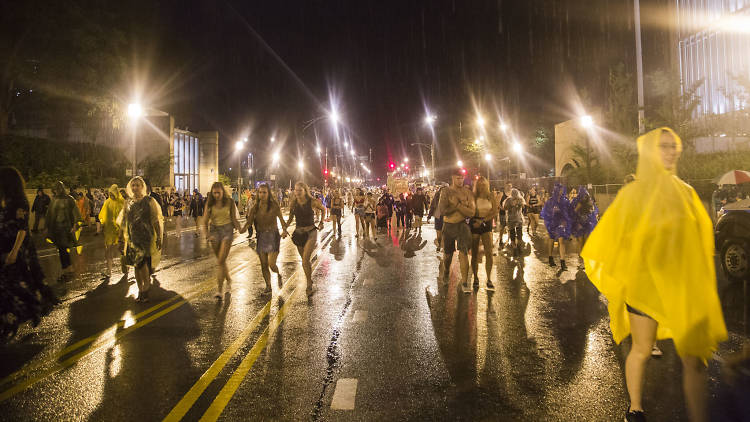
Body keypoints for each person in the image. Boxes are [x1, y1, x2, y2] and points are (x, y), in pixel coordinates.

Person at [582, 128, 727, 422]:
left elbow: (700, 239)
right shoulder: (633, 193)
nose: (671, 151)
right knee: (643, 349)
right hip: (645, 286)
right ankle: (635, 408)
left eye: (673, 145)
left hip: (680, 286)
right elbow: (612, 237)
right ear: (649, 150)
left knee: (694, 358)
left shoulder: (685, 191)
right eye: (663, 146)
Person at [0, 167, 58, 338]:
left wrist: (14, 252)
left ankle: (31, 308)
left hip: (16, 248)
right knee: (8, 284)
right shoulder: (4, 201)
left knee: (12, 284)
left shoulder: (20, 201)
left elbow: (22, 229)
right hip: (3, 246)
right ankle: (12, 317)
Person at [118, 176, 163, 303]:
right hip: (132, 238)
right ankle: (140, 290)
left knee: (142, 264)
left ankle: (146, 289)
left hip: (145, 237)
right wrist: (120, 239)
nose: (135, 187)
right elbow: (124, 221)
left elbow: (155, 220)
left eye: (137, 185)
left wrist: (159, 237)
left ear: (142, 187)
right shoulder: (128, 202)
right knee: (136, 265)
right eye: (133, 185)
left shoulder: (149, 201)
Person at [242, 183, 287, 293]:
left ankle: (278, 273)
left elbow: (282, 220)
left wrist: (285, 230)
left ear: (268, 194)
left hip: (274, 236)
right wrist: (241, 229)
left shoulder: (274, 206)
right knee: (263, 264)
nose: (262, 194)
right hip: (261, 237)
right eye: (260, 192)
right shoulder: (255, 208)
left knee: (271, 264)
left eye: (264, 192)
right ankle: (268, 286)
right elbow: (249, 222)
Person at [438, 168, 476, 291]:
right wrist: (459, 207)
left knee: (464, 253)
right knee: (448, 256)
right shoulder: (446, 191)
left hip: (462, 225)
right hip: (448, 226)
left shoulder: (467, 192)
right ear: (453, 177)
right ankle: (446, 271)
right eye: (458, 178)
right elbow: (443, 211)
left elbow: (471, 212)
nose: (460, 180)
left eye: (462, 178)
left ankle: (465, 282)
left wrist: (457, 205)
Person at [203, 182, 242, 300]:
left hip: (227, 230)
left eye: (218, 192)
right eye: (214, 193)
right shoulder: (209, 203)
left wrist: (240, 228)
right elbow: (204, 221)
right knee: (221, 260)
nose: (216, 195)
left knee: (220, 260)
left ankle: (220, 290)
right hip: (214, 231)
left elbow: (234, 218)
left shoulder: (229, 202)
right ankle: (229, 279)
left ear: (222, 191)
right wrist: (207, 235)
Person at [285, 182, 325, 296]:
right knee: (305, 261)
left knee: (305, 259)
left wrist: (321, 222)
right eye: (296, 190)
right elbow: (290, 219)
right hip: (298, 234)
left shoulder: (312, 201)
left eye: (299, 190)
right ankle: (309, 278)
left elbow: (323, 209)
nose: (297, 192)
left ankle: (309, 285)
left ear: (305, 191)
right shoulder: (293, 203)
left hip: (311, 232)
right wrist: (284, 229)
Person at [45, 182, 83, 282]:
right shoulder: (54, 200)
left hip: (66, 229)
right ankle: (67, 270)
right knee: (61, 250)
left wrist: (75, 225)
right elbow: (50, 214)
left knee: (63, 249)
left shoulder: (69, 199)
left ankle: (68, 270)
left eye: (57, 189)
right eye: (55, 190)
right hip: (56, 229)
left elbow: (76, 213)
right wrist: (48, 227)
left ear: (61, 189)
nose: (56, 191)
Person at [470, 176, 498, 290]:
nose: (481, 186)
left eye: (483, 184)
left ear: (487, 185)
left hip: (486, 224)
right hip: (475, 223)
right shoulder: (473, 196)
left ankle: (489, 278)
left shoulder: (490, 195)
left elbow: (495, 211)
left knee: (489, 252)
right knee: (475, 252)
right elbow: (470, 211)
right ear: (476, 186)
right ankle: (475, 277)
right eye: (479, 184)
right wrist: (475, 221)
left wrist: (483, 220)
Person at [99, 184, 127, 280]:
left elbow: (125, 216)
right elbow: (103, 214)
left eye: (112, 193)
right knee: (108, 250)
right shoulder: (107, 202)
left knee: (121, 250)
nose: (111, 195)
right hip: (109, 230)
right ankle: (109, 271)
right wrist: (102, 224)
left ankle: (125, 266)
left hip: (120, 230)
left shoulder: (122, 202)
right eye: (109, 193)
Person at [541, 183, 572, 270]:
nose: (561, 191)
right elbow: (545, 212)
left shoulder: (565, 200)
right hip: (552, 222)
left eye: (562, 189)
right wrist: (552, 212)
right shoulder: (550, 201)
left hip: (561, 223)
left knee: (561, 240)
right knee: (551, 239)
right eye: (559, 189)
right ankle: (550, 257)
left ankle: (563, 262)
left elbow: (569, 211)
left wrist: (567, 220)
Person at [570, 186, 599, 269]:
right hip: (585, 223)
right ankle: (584, 261)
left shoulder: (581, 201)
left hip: (581, 223)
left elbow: (574, 211)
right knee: (584, 243)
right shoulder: (589, 201)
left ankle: (582, 261)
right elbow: (594, 212)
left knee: (581, 243)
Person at [503, 188, 526, 255]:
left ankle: (515, 248)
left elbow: (504, 207)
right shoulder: (521, 199)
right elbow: (524, 206)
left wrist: (511, 206)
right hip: (519, 219)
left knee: (512, 235)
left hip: (511, 220)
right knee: (519, 235)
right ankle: (519, 248)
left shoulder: (508, 200)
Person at [427, 186, 445, 252]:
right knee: (439, 233)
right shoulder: (436, 197)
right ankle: (439, 245)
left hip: (446, 216)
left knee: (445, 233)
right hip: (438, 215)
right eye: (442, 191)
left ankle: (444, 246)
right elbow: (432, 207)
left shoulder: (449, 198)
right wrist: (429, 216)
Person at [497, 182, 512, 247]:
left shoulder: (512, 194)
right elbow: (497, 203)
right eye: (508, 186)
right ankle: (500, 239)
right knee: (502, 226)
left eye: (510, 186)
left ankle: (510, 239)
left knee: (511, 227)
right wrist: (502, 208)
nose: (509, 187)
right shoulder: (501, 193)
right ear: (505, 186)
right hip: (503, 213)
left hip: (511, 213)